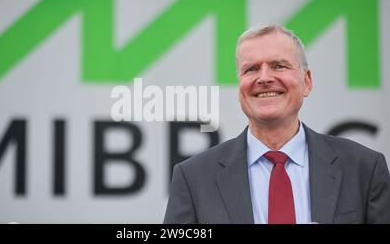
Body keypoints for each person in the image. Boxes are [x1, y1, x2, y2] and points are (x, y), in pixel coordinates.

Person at [163, 24, 390, 224]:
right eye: (251, 69)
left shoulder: (365, 169)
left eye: (279, 66)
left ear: (306, 82)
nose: (264, 78)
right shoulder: (193, 178)